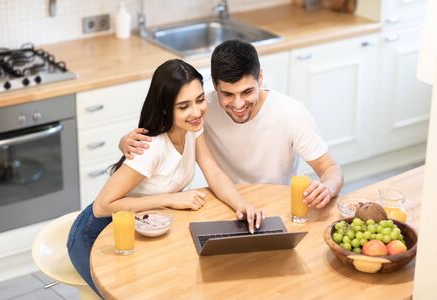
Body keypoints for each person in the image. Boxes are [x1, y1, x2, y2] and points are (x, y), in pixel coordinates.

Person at [67, 59, 263, 296]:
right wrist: (169, 199)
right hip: (100, 235)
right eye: (183, 106)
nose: (196, 111)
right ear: (165, 109)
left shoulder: (193, 128)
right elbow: (102, 207)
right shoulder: (151, 148)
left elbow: (213, 171)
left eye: (200, 100)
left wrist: (242, 206)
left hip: (144, 229)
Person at [119, 40, 344, 208]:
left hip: (276, 201)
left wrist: (328, 186)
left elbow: (330, 169)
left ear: (261, 79)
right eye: (227, 94)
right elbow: (164, 129)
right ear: (215, 86)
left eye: (247, 91)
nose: (238, 104)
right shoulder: (201, 109)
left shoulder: (291, 113)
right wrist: (125, 142)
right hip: (226, 201)